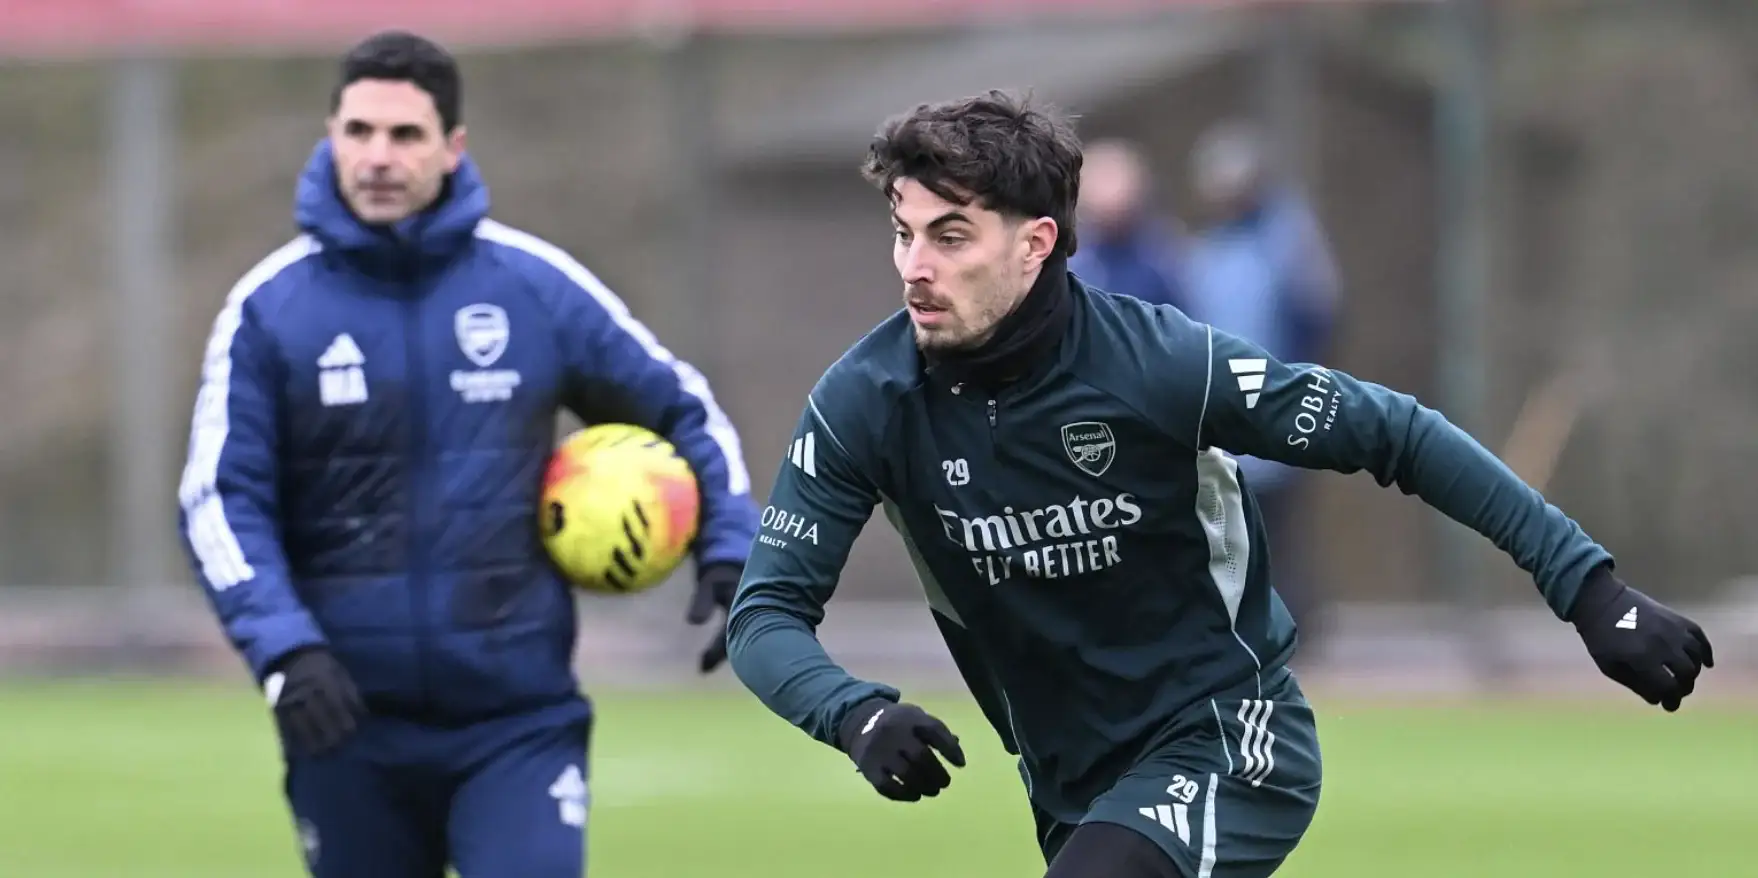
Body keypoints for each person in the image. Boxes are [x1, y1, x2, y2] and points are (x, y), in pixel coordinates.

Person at [724, 90, 1712, 878]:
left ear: (1036, 243)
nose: (914, 266)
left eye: (950, 236)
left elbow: (1396, 432)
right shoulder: (866, 402)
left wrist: (1588, 589)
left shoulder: (1159, 364)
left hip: (1231, 739)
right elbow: (765, 614)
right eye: (903, 232)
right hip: (1072, 783)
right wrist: (853, 712)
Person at [176, 30, 757, 878]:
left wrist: (733, 548)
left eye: (405, 134)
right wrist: (286, 651)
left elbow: (682, 408)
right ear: (331, 135)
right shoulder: (270, 310)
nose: (379, 156)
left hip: (517, 723)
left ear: (452, 146)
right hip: (344, 723)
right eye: (359, 131)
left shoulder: (532, 287)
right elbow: (220, 500)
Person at [1179, 119, 1342, 651]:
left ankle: (1297, 631)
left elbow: (1320, 315)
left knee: (1279, 527)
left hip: (1279, 406)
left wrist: (1300, 389)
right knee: (1229, 524)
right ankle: (1243, 630)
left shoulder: (1287, 237)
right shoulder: (1207, 248)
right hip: (1221, 413)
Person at [1067, 138, 1186, 309]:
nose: (1109, 194)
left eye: (1114, 179)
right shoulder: (1074, 262)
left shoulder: (1163, 257)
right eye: (1101, 181)